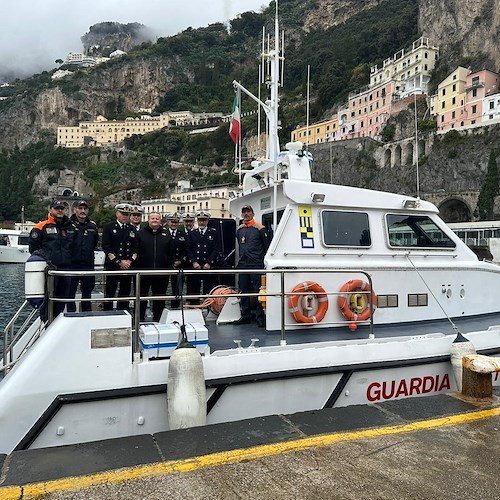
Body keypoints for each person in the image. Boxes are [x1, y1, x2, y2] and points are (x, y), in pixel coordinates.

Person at [28, 199, 75, 321]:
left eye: (62, 208)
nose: (60, 211)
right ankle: (45, 323)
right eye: (57, 208)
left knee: (62, 299)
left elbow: (74, 247)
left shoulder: (70, 227)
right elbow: (33, 249)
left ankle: (56, 323)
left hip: (65, 270)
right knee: (48, 299)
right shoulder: (40, 227)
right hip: (50, 270)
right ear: (51, 209)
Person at [234, 205, 269, 327]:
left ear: (253, 214)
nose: (246, 214)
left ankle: (260, 317)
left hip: (256, 265)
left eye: (248, 212)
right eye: (244, 212)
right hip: (243, 265)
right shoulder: (239, 229)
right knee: (243, 291)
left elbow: (266, 247)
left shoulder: (260, 228)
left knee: (258, 291)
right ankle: (245, 315)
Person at [101, 203, 139, 311]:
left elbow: (136, 247)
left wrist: (130, 261)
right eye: (123, 214)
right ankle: (107, 314)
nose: (125, 216)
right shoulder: (109, 227)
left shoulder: (132, 229)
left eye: (127, 214)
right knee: (110, 293)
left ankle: (123, 313)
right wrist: (119, 261)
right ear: (117, 213)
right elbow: (106, 247)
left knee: (125, 293)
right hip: (112, 266)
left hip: (127, 267)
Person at [137, 212, 172, 321]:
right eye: (152, 218)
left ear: (160, 221)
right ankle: (140, 320)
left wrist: (168, 267)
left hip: (162, 273)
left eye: (157, 218)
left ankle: (158, 319)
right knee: (141, 297)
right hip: (143, 272)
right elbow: (136, 251)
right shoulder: (140, 234)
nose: (155, 220)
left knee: (159, 298)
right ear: (148, 220)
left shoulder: (166, 234)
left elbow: (170, 253)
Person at [67, 199, 99, 312]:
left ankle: (86, 315)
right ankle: (71, 315)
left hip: (88, 264)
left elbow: (95, 242)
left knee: (87, 293)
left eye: (85, 209)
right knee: (70, 293)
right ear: (75, 209)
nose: (82, 211)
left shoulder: (93, 226)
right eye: (80, 208)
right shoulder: (68, 225)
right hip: (72, 265)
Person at [186, 210, 221, 304]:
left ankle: (209, 308)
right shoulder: (192, 233)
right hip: (195, 266)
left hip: (208, 266)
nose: (202, 222)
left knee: (209, 289)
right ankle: (194, 307)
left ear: (207, 221)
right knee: (193, 290)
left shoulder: (213, 233)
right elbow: (188, 249)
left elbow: (216, 249)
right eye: (200, 220)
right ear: (197, 220)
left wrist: (208, 262)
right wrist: (194, 262)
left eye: (204, 220)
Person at [165, 212, 187, 308]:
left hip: (179, 265)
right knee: (162, 289)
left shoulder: (183, 234)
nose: (174, 224)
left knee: (177, 289)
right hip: (165, 265)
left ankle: (175, 308)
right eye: (172, 222)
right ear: (168, 222)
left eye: (176, 222)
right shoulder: (163, 233)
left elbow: (187, 250)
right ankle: (159, 311)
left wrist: (181, 261)